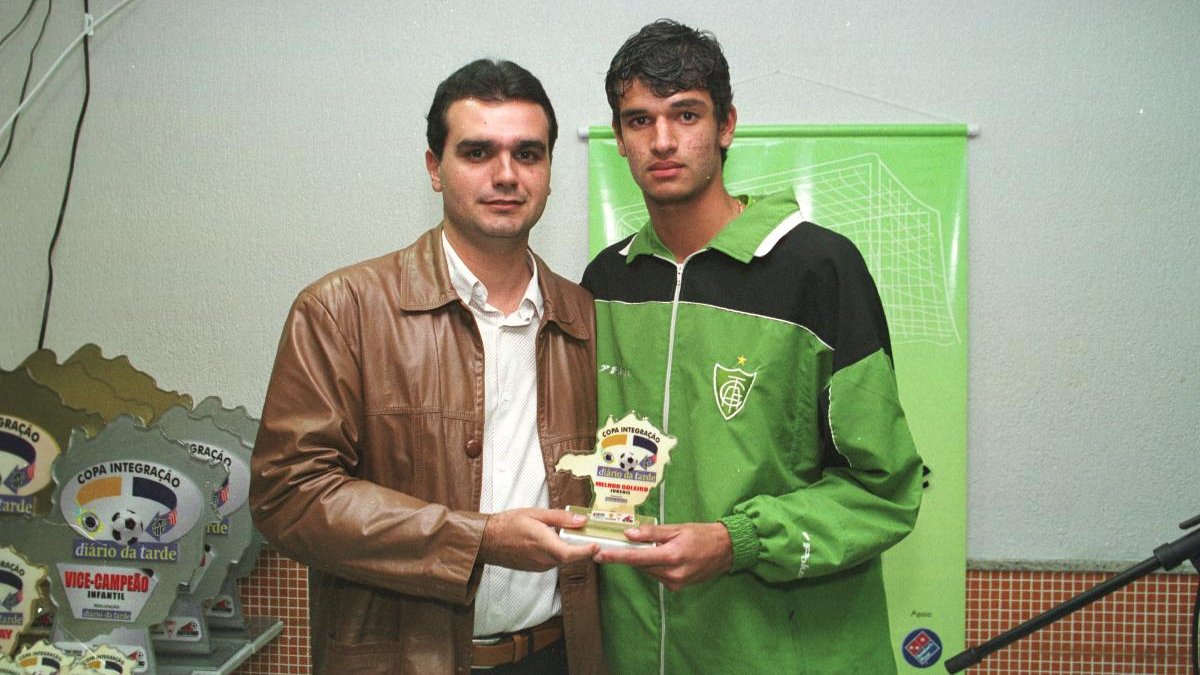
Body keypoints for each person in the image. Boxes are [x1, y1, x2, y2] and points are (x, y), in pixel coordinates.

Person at [581, 20, 925, 673]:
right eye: (638, 120)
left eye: (686, 114)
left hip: (783, 652)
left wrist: (738, 541)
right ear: (619, 141)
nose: (662, 139)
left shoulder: (818, 268)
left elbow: (886, 490)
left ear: (727, 125)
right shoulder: (605, 282)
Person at [250, 59, 605, 675]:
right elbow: (289, 496)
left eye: (528, 153)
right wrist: (480, 538)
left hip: (558, 656)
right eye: (477, 153)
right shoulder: (341, 310)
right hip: (404, 662)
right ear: (434, 168)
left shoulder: (588, 318)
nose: (506, 175)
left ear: (550, 171)